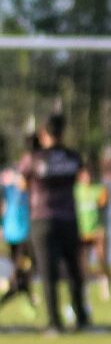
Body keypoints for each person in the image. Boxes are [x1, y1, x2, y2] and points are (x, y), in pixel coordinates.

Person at [18, 114, 88, 333]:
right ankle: (81, 318)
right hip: (68, 218)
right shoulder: (72, 157)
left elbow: (22, 183)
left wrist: (32, 148)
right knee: (74, 271)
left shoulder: (35, 158)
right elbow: (83, 177)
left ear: (43, 132)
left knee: (49, 273)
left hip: (43, 218)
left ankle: (54, 322)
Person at [1, 135, 37, 318]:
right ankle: (22, 296)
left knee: (24, 272)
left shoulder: (17, 173)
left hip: (18, 231)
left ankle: (27, 298)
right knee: (21, 273)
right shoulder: (16, 174)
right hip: (20, 232)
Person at [75, 168, 110, 303]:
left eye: (89, 175)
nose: (87, 178)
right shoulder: (75, 191)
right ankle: (84, 287)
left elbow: (103, 208)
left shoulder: (99, 189)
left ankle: (105, 284)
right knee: (83, 263)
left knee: (101, 258)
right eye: (84, 175)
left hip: (96, 231)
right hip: (81, 232)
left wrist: (102, 228)